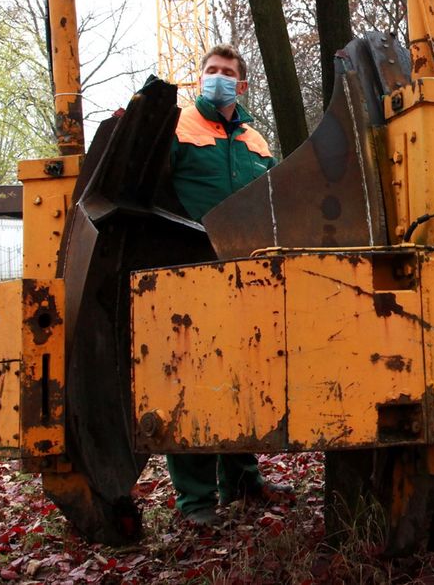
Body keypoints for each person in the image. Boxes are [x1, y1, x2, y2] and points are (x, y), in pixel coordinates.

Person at [166, 43, 291, 527]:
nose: (218, 78)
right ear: (201, 79)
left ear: (241, 84)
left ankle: (242, 481)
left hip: (246, 275)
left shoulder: (256, 141)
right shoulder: (178, 128)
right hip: (189, 273)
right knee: (192, 385)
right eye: (211, 71)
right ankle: (196, 502)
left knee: (243, 377)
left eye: (227, 73)